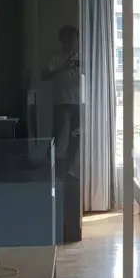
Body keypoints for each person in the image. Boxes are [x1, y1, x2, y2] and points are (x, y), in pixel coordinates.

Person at [43, 25, 80, 176]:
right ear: (61, 40)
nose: (70, 43)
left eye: (73, 39)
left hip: (79, 102)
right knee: (56, 135)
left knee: (76, 136)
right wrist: (63, 68)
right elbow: (45, 76)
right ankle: (47, 163)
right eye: (67, 39)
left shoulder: (81, 58)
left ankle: (69, 168)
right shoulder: (55, 57)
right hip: (61, 102)